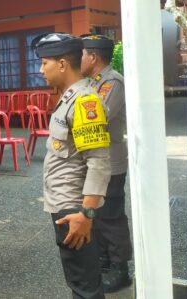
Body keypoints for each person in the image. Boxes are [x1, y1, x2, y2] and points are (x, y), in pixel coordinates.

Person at [35, 33, 111, 298]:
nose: (41, 69)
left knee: (85, 286)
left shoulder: (84, 102)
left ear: (63, 64)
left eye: (45, 63)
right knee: (80, 280)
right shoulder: (69, 97)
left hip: (75, 209)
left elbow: (99, 162)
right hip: (66, 205)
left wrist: (86, 215)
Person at [81, 34, 131, 292]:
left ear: (93, 57)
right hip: (96, 160)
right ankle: (103, 262)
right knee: (97, 214)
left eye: (82, 54)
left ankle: (121, 269)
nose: (79, 59)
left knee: (111, 216)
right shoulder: (93, 82)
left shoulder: (112, 83)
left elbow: (97, 116)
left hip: (110, 160)